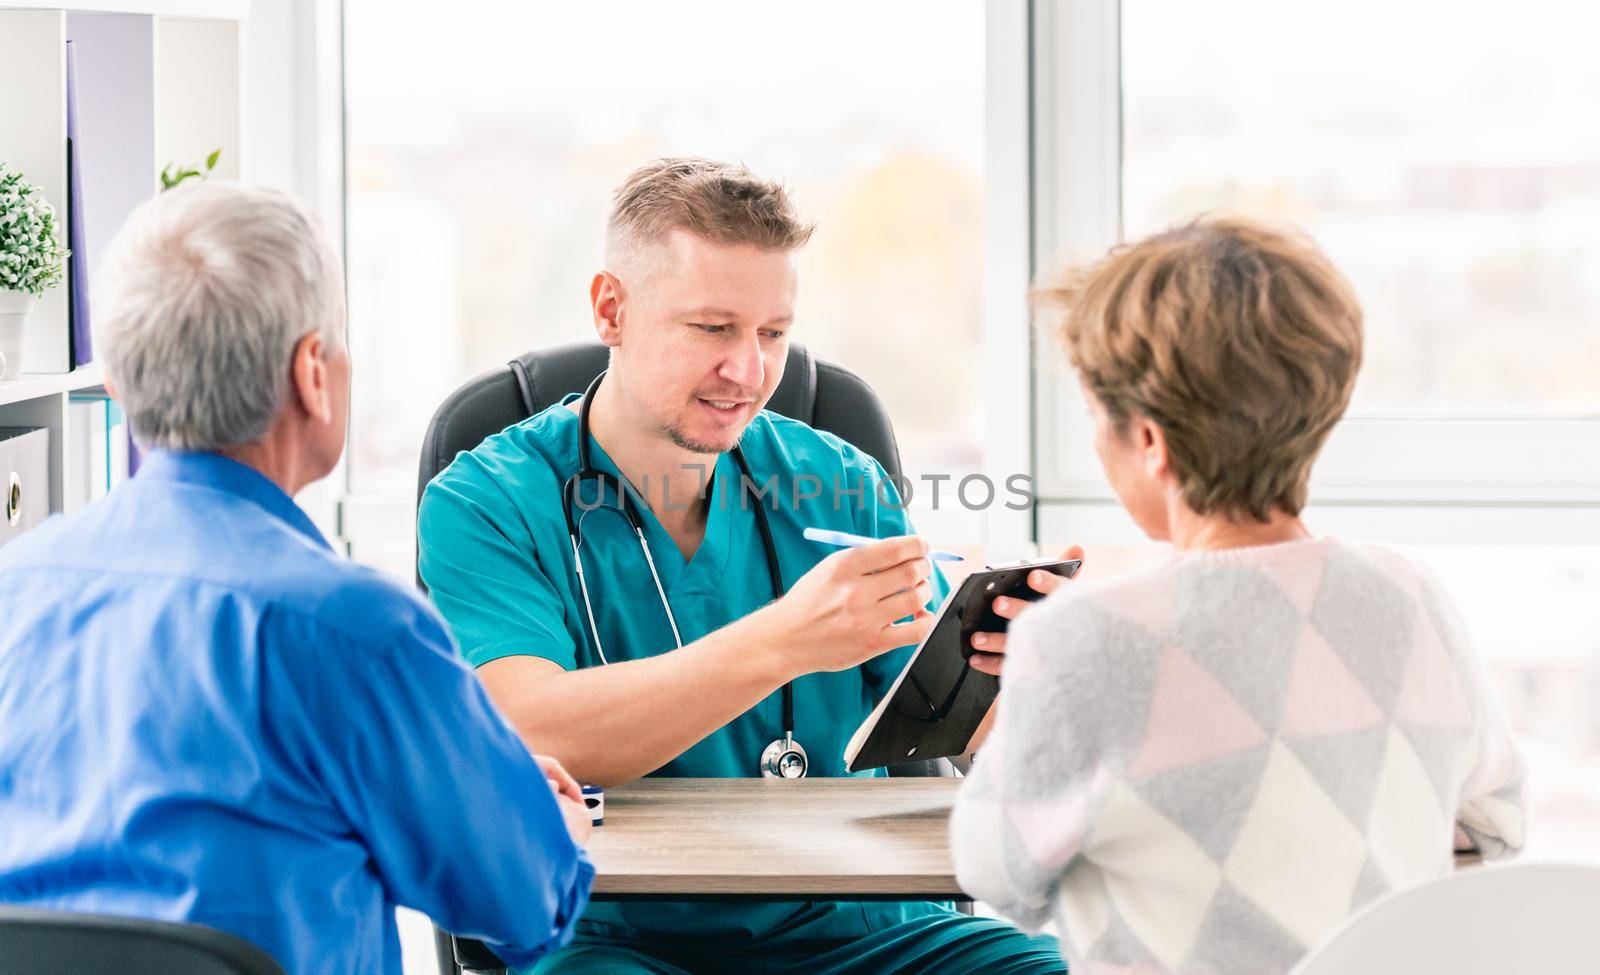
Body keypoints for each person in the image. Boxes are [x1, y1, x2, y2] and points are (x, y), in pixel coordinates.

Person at [418, 157, 1065, 974]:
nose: (751, 372)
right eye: (713, 329)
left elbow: (959, 723)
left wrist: (1024, 668)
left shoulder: (839, 482)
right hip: (615, 938)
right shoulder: (489, 499)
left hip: (865, 928)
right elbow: (528, 729)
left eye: (773, 333)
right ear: (611, 309)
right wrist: (787, 641)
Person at [0, 182, 595, 975]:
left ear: (118, 382)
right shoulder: (355, 628)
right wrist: (545, 822)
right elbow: (521, 903)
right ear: (314, 372)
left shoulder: (16, 586)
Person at [950, 215, 1529, 975]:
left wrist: (1046, 674)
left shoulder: (1083, 639)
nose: (1095, 443)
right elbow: (1495, 821)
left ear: (1151, 443)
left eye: (1098, 418)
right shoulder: (1413, 594)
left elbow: (995, 870)